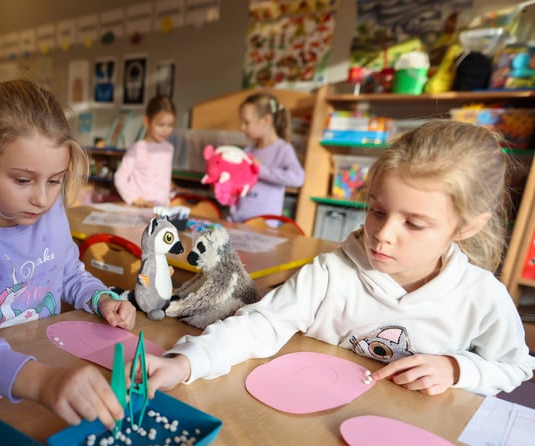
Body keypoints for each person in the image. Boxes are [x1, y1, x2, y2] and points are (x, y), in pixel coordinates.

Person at [144, 120, 535, 398]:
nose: (383, 233)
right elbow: (261, 324)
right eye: (378, 211)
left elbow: (516, 368)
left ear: (466, 227)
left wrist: (456, 369)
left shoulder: (482, 297)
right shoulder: (332, 272)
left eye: (414, 223)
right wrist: (188, 361)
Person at [0, 79, 137, 428]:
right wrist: (39, 380)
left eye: (54, 180)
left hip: (45, 375)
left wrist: (101, 297)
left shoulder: (51, 212)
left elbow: (69, 274)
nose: (42, 200)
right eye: (22, 180)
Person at [229, 92, 304, 222]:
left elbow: (298, 178)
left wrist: (261, 169)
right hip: (239, 222)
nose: (242, 127)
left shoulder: (283, 149)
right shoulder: (248, 151)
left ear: (266, 121)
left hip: (264, 227)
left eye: (247, 122)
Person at [113, 94, 176, 207]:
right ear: (147, 121)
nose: (166, 130)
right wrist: (135, 199)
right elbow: (120, 177)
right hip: (139, 208)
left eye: (170, 125)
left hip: (161, 210)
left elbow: (164, 180)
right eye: (160, 125)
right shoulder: (137, 149)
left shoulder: (169, 149)